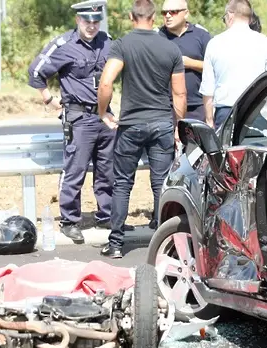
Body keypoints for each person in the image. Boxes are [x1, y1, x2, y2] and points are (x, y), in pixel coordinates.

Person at [96, 0, 187, 258]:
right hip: (161, 124)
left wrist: (103, 112)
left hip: (131, 124)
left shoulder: (122, 44)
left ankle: (115, 244)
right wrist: (178, 125)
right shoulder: (170, 48)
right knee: (161, 183)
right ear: (154, 16)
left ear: (131, 16)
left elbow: (106, 82)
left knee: (123, 183)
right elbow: (180, 93)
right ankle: (162, 242)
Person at [27, 1, 116, 244]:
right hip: (79, 118)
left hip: (105, 116)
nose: (91, 26)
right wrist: (48, 99)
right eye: (87, 21)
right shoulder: (64, 45)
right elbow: (35, 71)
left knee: (106, 170)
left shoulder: (107, 41)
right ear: (78, 20)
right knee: (75, 171)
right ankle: (69, 221)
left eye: (96, 21)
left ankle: (105, 215)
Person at [199, 0, 267, 130]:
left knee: (227, 149)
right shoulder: (266, 43)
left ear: (230, 15)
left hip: (226, 112)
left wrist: (209, 121)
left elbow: (208, 89)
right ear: (250, 17)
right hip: (257, 110)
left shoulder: (215, 44)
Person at [158, 0, 212, 121]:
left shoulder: (201, 35)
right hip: (166, 108)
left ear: (186, 13)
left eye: (173, 12)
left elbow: (213, 67)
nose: (168, 16)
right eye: (164, 12)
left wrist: (191, 63)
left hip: (197, 106)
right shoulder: (157, 37)